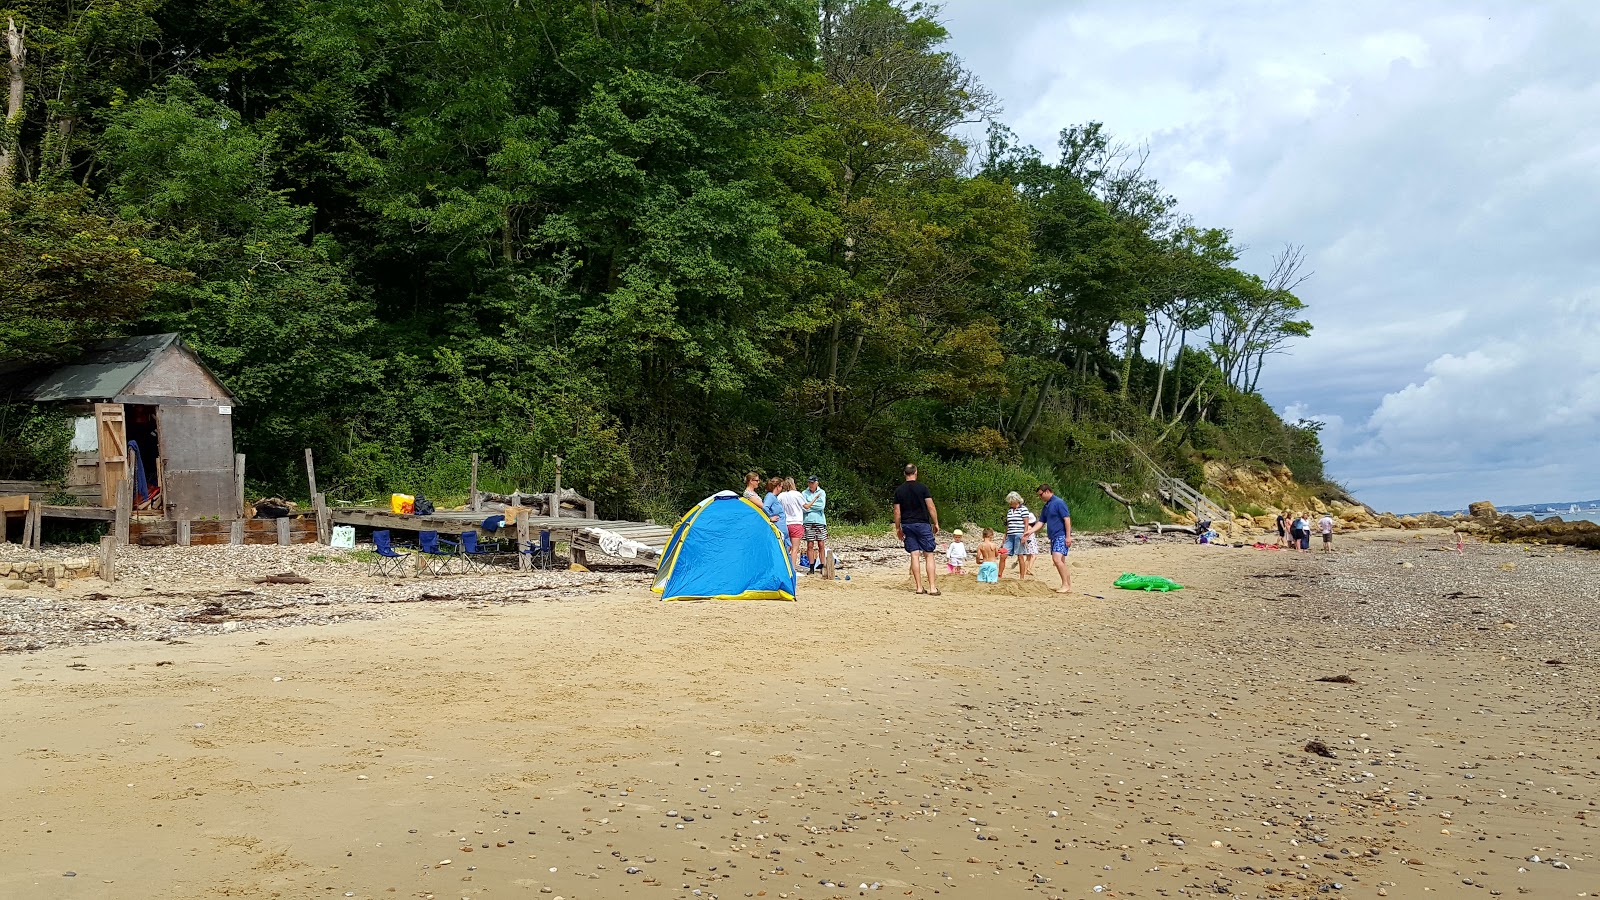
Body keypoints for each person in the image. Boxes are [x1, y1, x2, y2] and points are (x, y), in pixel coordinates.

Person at [892, 463, 941, 595]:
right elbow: (930, 506)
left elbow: (897, 512)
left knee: (914, 555)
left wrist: (898, 528)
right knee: (928, 554)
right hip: (922, 523)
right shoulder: (922, 488)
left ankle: (919, 587)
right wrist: (936, 522)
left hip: (907, 524)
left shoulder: (899, 490)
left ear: (904, 474)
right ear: (916, 472)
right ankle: (932, 587)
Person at [1035, 484, 1073, 594]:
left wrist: (1068, 536)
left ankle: (1066, 585)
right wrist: (1030, 531)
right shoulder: (1047, 506)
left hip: (1061, 535)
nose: (1040, 497)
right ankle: (1067, 584)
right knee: (1060, 561)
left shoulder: (1059, 503)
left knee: (1057, 559)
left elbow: (1067, 519)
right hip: (1053, 536)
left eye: (1041, 495)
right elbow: (1041, 522)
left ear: (1047, 491)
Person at [1002, 491, 1038, 580]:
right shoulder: (1010, 511)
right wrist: (1005, 536)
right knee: (1003, 554)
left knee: (1020, 555)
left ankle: (1022, 577)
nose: (1010, 503)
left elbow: (1026, 523)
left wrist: (1024, 536)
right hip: (1010, 535)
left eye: (1011, 501)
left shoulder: (1024, 509)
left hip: (1019, 534)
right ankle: (1000, 575)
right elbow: (1008, 524)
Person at [801, 475, 828, 575]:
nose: (811, 485)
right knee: (810, 544)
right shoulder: (804, 493)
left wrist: (809, 505)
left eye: (812, 483)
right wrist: (809, 506)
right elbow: (803, 508)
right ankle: (811, 567)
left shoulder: (822, 492)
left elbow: (821, 506)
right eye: (809, 483)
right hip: (808, 521)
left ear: (817, 483)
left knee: (821, 543)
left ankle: (823, 566)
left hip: (820, 521)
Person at [779, 477, 807, 574]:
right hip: (796, 522)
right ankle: (792, 569)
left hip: (785, 523)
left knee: (787, 547)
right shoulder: (797, 494)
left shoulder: (781, 496)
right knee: (795, 548)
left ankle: (785, 567)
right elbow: (806, 507)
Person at [763, 476, 788, 550]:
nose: (782, 489)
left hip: (782, 528)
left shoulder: (774, 497)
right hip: (778, 528)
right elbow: (765, 507)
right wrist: (770, 517)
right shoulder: (770, 496)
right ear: (777, 486)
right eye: (781, 487)